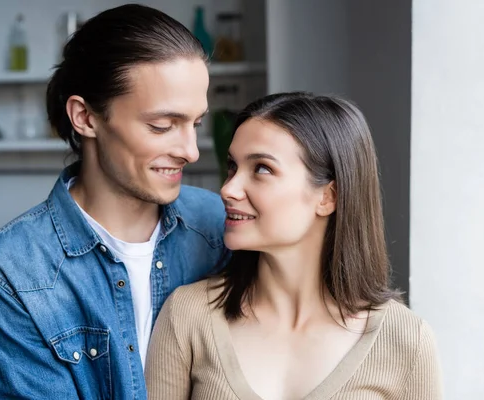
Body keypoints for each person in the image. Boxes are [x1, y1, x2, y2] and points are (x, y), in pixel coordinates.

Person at [0, 4, 226, 399]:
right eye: (162, 126)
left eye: (196, 123)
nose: (191, 151)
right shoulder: (11, 271)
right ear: (85, 117)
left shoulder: (221, 226)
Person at [145, 92, 443, 400]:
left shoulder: (407, 340)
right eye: (233, 167)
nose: (228, 188)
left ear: (329, 197)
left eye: (261, 168)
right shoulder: (187, 316)